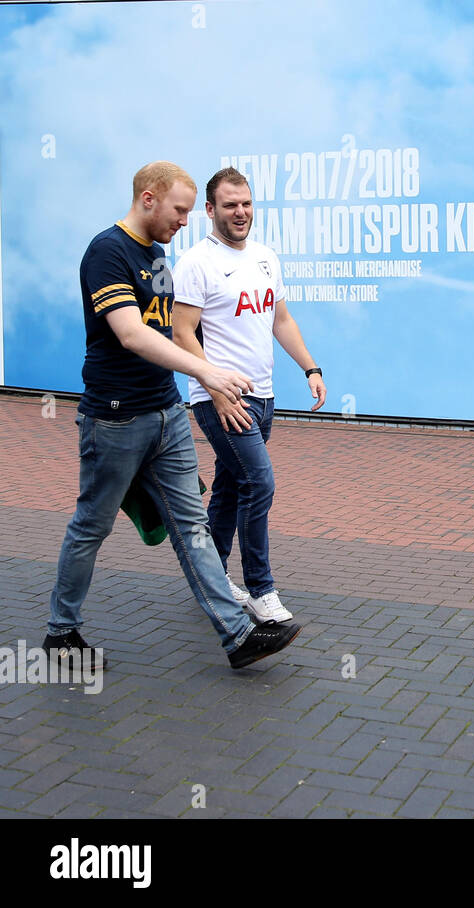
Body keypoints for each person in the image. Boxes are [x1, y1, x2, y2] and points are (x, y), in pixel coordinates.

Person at [46, 161, 301, 670]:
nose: (185, 221)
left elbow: (170, 331)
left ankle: (238, 635)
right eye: (180, 210)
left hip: (167, 414)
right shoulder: (107, 252)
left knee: (193, 526)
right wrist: (207, 374)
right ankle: (61, 630)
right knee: (92, 526)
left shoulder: (157, 254)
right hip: (115, 420)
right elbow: (132, 334)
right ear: (147, 199)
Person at [171, 168, 325, 625]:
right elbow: (181, 334)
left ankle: (212, 578)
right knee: (260, 484)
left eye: (247, 204)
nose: (240, 213)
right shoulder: (197, 262)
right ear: (210, 210)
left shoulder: (264, 257)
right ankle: (261, 589)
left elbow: (281, 320)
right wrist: (215, 388)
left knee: (232, 487)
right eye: (230, 204)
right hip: (219, 399)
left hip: (263, 396)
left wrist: (310, 368)